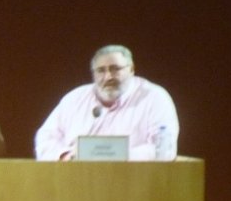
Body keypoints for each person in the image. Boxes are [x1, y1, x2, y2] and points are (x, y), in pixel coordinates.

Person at [35, 44, 179, 161]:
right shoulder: (74, 98)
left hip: (135, 182)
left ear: (132, 69)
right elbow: (46, 137)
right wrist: (65, 156)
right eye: (101, 71)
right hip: (76, 181)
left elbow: (164, 149)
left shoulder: (155, 97)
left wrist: (118, 156)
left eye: (115, 69)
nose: (108, 76)